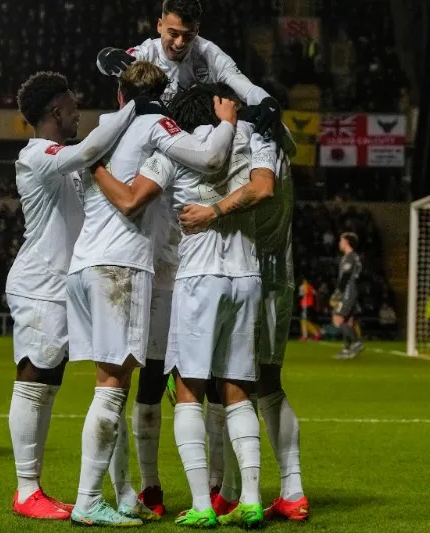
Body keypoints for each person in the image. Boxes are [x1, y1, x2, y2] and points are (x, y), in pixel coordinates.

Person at [66, 64, 238, 527]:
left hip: (84, 262)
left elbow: (87, 172)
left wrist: (95, 164)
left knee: (111, 386)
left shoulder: (104, 129)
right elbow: (207, 160)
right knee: (113, 388)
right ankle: (88, 500)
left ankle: (124, 495)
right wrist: (227, 123)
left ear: (120, 91)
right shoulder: (158, 126)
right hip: (121, 266)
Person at [95, 82, 272, 528]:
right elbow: (264, 188)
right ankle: (249, 499)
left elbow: (132, 198)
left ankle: (201, 505)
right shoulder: (252, 136)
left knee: (189, 390)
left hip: (198, 279)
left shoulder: (175, 151)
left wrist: (92, 163)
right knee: (237, 391)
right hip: (247, 276)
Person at [4, 71, 140, 520]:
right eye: (72, 105)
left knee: (50, 381)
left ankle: (38, 489)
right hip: (39, 283)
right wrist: (136, 105)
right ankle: (26, 490)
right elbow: (88, 150)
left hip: (64, 283)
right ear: (55, 112)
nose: (78, 111)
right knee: (34, 382)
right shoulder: (38, 154)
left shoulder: (64, 157)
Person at [182, 102, 309, 522]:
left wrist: (211, 210)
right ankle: (243, 490)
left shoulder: (262, 144)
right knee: (246, 384)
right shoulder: (276, 144)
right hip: (266, 272)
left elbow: (260, 189)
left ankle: (277, 489)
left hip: (258, 271)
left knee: (244, 385)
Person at [96, 0, 292, 149]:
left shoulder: (209, 53)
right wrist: (104, 58)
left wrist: (267, 100)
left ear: (197, 30)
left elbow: (246, 88)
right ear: (159, 26)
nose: (180, 43)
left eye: (188, 35)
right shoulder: (147, 53)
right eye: (173, 33)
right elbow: (112, 65)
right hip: (150, 139)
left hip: (195, 142)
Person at [332, 232, 364, 358]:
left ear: (346, 242)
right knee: (348, 321)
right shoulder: (352, 257)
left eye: (341, 241)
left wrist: (337, 293)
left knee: (337, 319)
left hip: (348, 292)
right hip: (352, 291)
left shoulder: (350, 257)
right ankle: (346, 349)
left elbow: (346, 276)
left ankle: (357, 342)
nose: (339, 243)